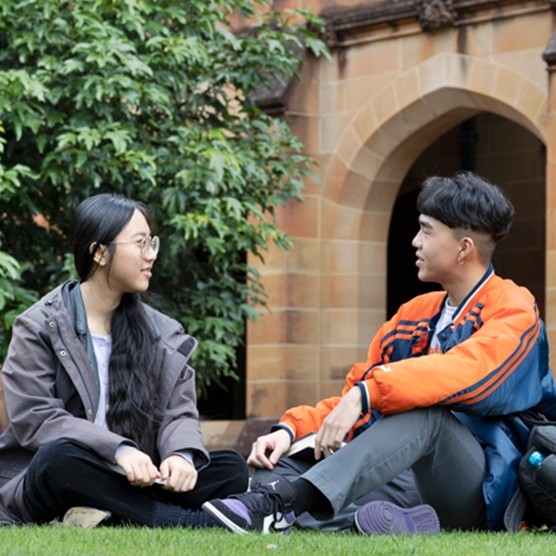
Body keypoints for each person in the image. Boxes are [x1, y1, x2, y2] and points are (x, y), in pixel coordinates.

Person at [202, 172, 556, 534]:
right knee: (277, 464)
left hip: (483, 487)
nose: (415, 241)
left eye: (426, 231)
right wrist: (291, 429)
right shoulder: (414, 314)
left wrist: (367, 394)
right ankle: (388, 523)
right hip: (405, 473)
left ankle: (283, 503)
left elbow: (469, 373)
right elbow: (353, 397)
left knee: (427, 415)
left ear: (463, 248)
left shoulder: (514, 308)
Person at [0, 193, 249, 527]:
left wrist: (180, 455)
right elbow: (37, 418)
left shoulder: (161, 332)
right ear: (99, 252)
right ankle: (182, 520)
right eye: (140, 243)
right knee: (58, 459)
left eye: (152, 243)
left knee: (231, 468)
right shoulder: (40, 326)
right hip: (69, 471)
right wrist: (119, 450)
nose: (151, 255)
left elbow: (179, 411)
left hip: (136, 478)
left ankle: (105, 514)